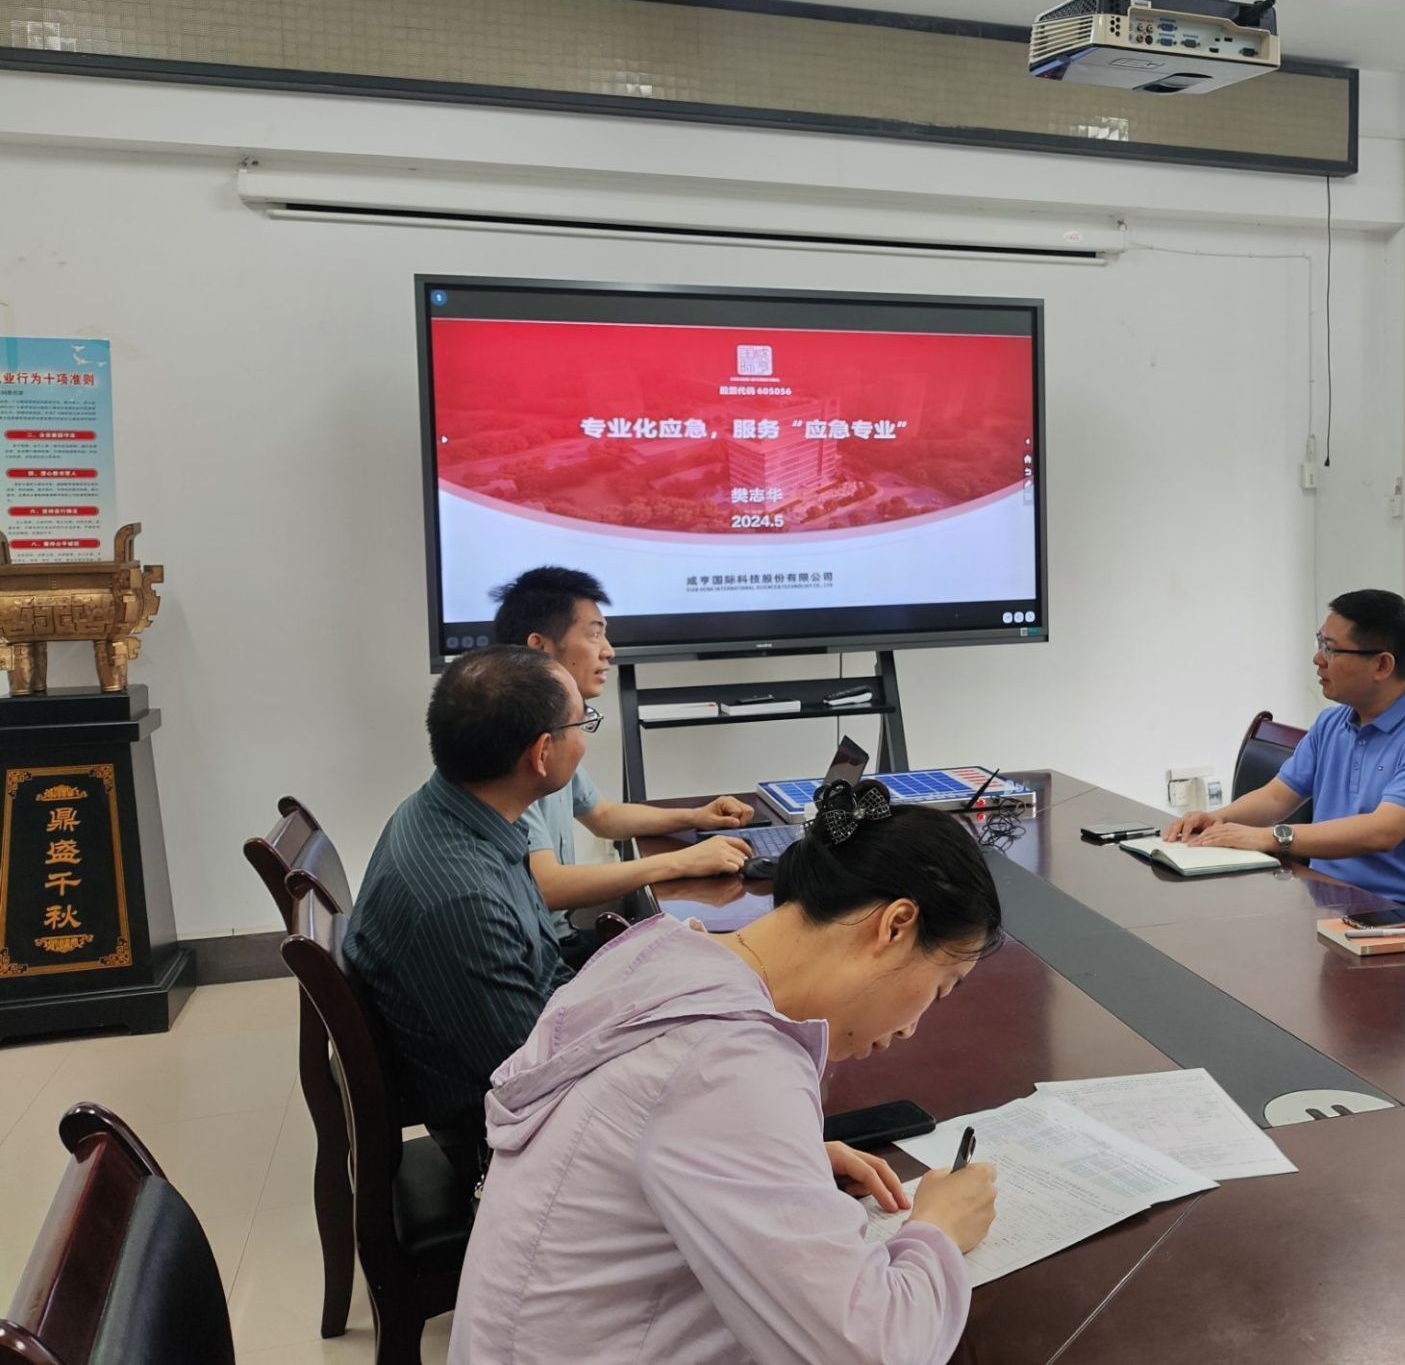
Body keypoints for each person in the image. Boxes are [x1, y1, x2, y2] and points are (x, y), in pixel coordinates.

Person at [448, 783, 1003, 1365]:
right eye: (940, 989)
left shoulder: (657, 953)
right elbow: (871, 1351)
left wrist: (781, 1161)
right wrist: (939, 1229)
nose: (913, 1028)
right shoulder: (728, 1066)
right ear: (895, 926)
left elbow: (652, 1130)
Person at [345, 646, 583, 1178]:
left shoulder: (452, 808)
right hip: (507, 1139)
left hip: (522, 1058)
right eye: (582, 722)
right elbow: (533, 1078)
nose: (586, 737)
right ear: (542, 754)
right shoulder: (462, 901)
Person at [492, 566, 753, 963]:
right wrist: (682, 861)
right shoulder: (516, 744)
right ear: (540, 647)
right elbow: (547, 885)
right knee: (719, 954)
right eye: (594, 634)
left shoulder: (548, 726)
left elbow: (603, 815)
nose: (609, 650)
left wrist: (696, 816)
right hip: (544, 956)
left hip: (560, 937)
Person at [1164, 590, 1405, 905]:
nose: (1318, 659)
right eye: (1320, 643)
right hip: (1325, 898)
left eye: (1330, 649)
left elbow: (1382, 832)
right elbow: (1276, 798)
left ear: (1382, 665)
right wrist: (1217, 819)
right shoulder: (1332, 723)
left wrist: (1267, 838)